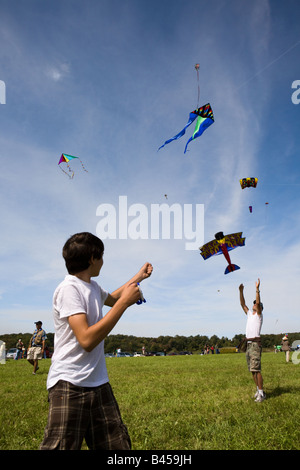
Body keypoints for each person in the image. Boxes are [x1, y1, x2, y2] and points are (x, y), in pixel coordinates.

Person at [40, 232, 153, 450]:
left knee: (117, 447)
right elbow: (86, 339)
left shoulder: (91, 286)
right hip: (69, 385)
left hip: (99, 384)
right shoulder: (68, 289)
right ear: (92, 258)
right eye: (101, 256)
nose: (103, 261)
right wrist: (124, 305)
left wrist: (138, 277)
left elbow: (113, 298)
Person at [239, 279, 266, 402]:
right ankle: (258, 390)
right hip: (249, 344)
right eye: (254, 303)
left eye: (256, 304)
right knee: (252, 370)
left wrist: (257, 289)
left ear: (260, 307)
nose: (254, 304)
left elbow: (258, 301)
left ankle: (261, 393)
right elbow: (242, 304)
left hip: (255, 344)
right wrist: (241, 291)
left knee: (257, 370)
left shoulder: (259, 315)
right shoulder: (250, 314)